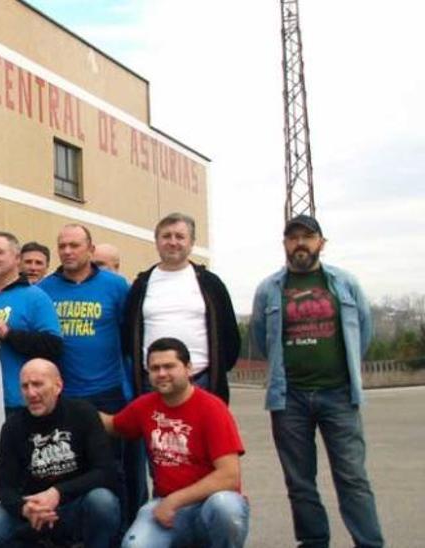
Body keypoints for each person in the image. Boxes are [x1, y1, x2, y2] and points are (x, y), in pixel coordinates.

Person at [250, 215, 383, 548]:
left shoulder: (345, 283)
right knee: (300, 482)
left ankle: (370, 543)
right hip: (289, 398)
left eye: (307, 237)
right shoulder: (269, 289)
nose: (300, 244)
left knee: (353, 479)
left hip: (338, 395)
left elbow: (362, 332)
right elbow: (260, 337)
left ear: (321, 243)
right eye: (292, 238)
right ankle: (313, 542)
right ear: (284, 245)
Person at [39, 224, 147, 522]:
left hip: (107, 394)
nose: (68, 251)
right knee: (65, 469)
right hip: (63, 396)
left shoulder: (116, 286)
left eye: (74, 245)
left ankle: (124, 532)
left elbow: (131, 335)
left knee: (115, 469)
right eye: (62, 246)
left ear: (90, 249)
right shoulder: (43, 290)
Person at [101, 338, 249, 548]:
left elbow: (229, 476)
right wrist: (69, 405)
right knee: (136, 545)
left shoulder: (212, 408)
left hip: (209, 504)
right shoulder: (144, 407)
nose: (161, 373)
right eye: (154, 368)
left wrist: (175, 500)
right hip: (167, 510)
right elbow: (112, 425)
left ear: (188, 368)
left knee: (226, 508)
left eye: (169, 366)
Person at [0, 360, 119, 548]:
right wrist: (25, 508)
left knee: (103, 502)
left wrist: (57, 493)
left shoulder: (83, 413)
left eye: (38, 384)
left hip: (75, 503)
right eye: (25, 386)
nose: (31, 393)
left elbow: (105, 471)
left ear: (58, 386)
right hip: (34, 510)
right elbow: (4, 488)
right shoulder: (12, 426)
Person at [123, 213, 240, 403]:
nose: (172, 242)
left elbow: (229, 333)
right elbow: (127, 333)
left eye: (179, 236)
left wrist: (216, 370)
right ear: (157, 242)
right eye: (166, 236)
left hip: (202, 382)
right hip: (151, 384)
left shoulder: (210, 284)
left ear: (192, 242)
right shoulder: (142, 284)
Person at [0, 232, 62, 413]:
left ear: (17, 258)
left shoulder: (36, 297)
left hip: (18, 404)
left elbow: (53, 346)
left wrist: (9, 334)